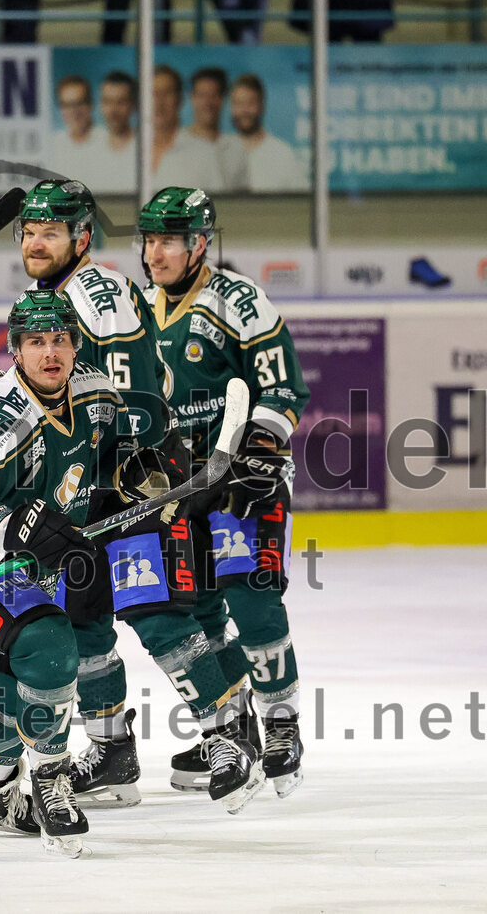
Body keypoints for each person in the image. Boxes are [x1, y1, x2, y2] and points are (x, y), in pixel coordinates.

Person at [13, 179, 264, 815]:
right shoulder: (61, 296)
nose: (36, 243)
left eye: (50, 232)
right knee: (84, 618)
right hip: (87, 481)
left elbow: (130, 388)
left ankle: (226, 738)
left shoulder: (89, 292)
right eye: (29, 232)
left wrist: (144, 462)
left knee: (153, 609)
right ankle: (112, 751)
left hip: (124, 478)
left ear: (82, 237)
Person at [0, 288, 174, 856]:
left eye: (60, 340)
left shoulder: (97, 392)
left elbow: (114, 454)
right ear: (15, 350)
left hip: (28, 557)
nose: (50, 353)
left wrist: (143, 471)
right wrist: (21, 527)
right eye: (36, 342)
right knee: (50, 646)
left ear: (76, 345)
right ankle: (51, 779)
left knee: (17, 678)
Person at [137, 186, 310, 799]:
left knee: (253, 598)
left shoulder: (238, 299)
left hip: (240, 483)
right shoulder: (137, 308)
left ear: (199, 244)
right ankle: (235, 730)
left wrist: (260, 450)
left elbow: (282, 385)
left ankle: (282, 723)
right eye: (150, 239)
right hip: (178, 488)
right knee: (199, 608)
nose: (156, 252)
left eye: (169, 241)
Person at [230, 73, 308, 193]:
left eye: (250, 103)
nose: (244, 110)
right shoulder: (221, 152)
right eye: (239, 104)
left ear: (261, 105)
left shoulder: (283, 154)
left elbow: (302, 203)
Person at [152, 65, 225, 193]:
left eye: (167, 93)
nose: (159, 102)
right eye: (154, 94)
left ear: (179, 100)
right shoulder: (130, 150)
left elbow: (219, 207)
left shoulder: (204, 153)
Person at [184, 67, 249, 193]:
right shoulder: (176, 145)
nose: (207, 103)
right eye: (202, 95)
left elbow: (245, 199)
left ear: (223, 99)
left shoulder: (235, 146)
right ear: (192, 97)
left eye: (213, 95)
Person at [85, 70, 137, 192]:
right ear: (101, 105)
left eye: (121, 102)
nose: (113, 110)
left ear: (133, 105)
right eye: (107, 101)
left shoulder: (148, 147)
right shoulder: (89, 146)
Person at [51, 75, 96, 181]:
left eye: (79, 103)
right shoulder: (54, 145)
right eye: (66, 105)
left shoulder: (107, 141)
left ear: (90, 104)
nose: (73, 111)